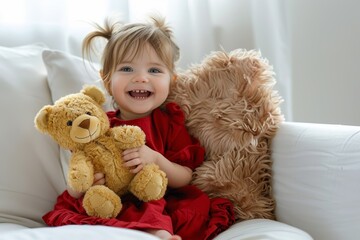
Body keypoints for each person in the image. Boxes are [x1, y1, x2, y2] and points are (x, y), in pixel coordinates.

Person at [43, 15, 234, 240]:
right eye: (126, 69)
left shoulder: (168, 122)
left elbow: (185, 176)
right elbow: (77, 173)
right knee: (93, 210)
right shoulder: (97, 125)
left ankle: (161, 236)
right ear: (107, 81)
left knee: (156, 214)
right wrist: (85, 184)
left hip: (154, 197)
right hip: (109, 200)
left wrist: (155, 159)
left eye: (154, 71)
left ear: (171, 81)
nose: (141, 78)